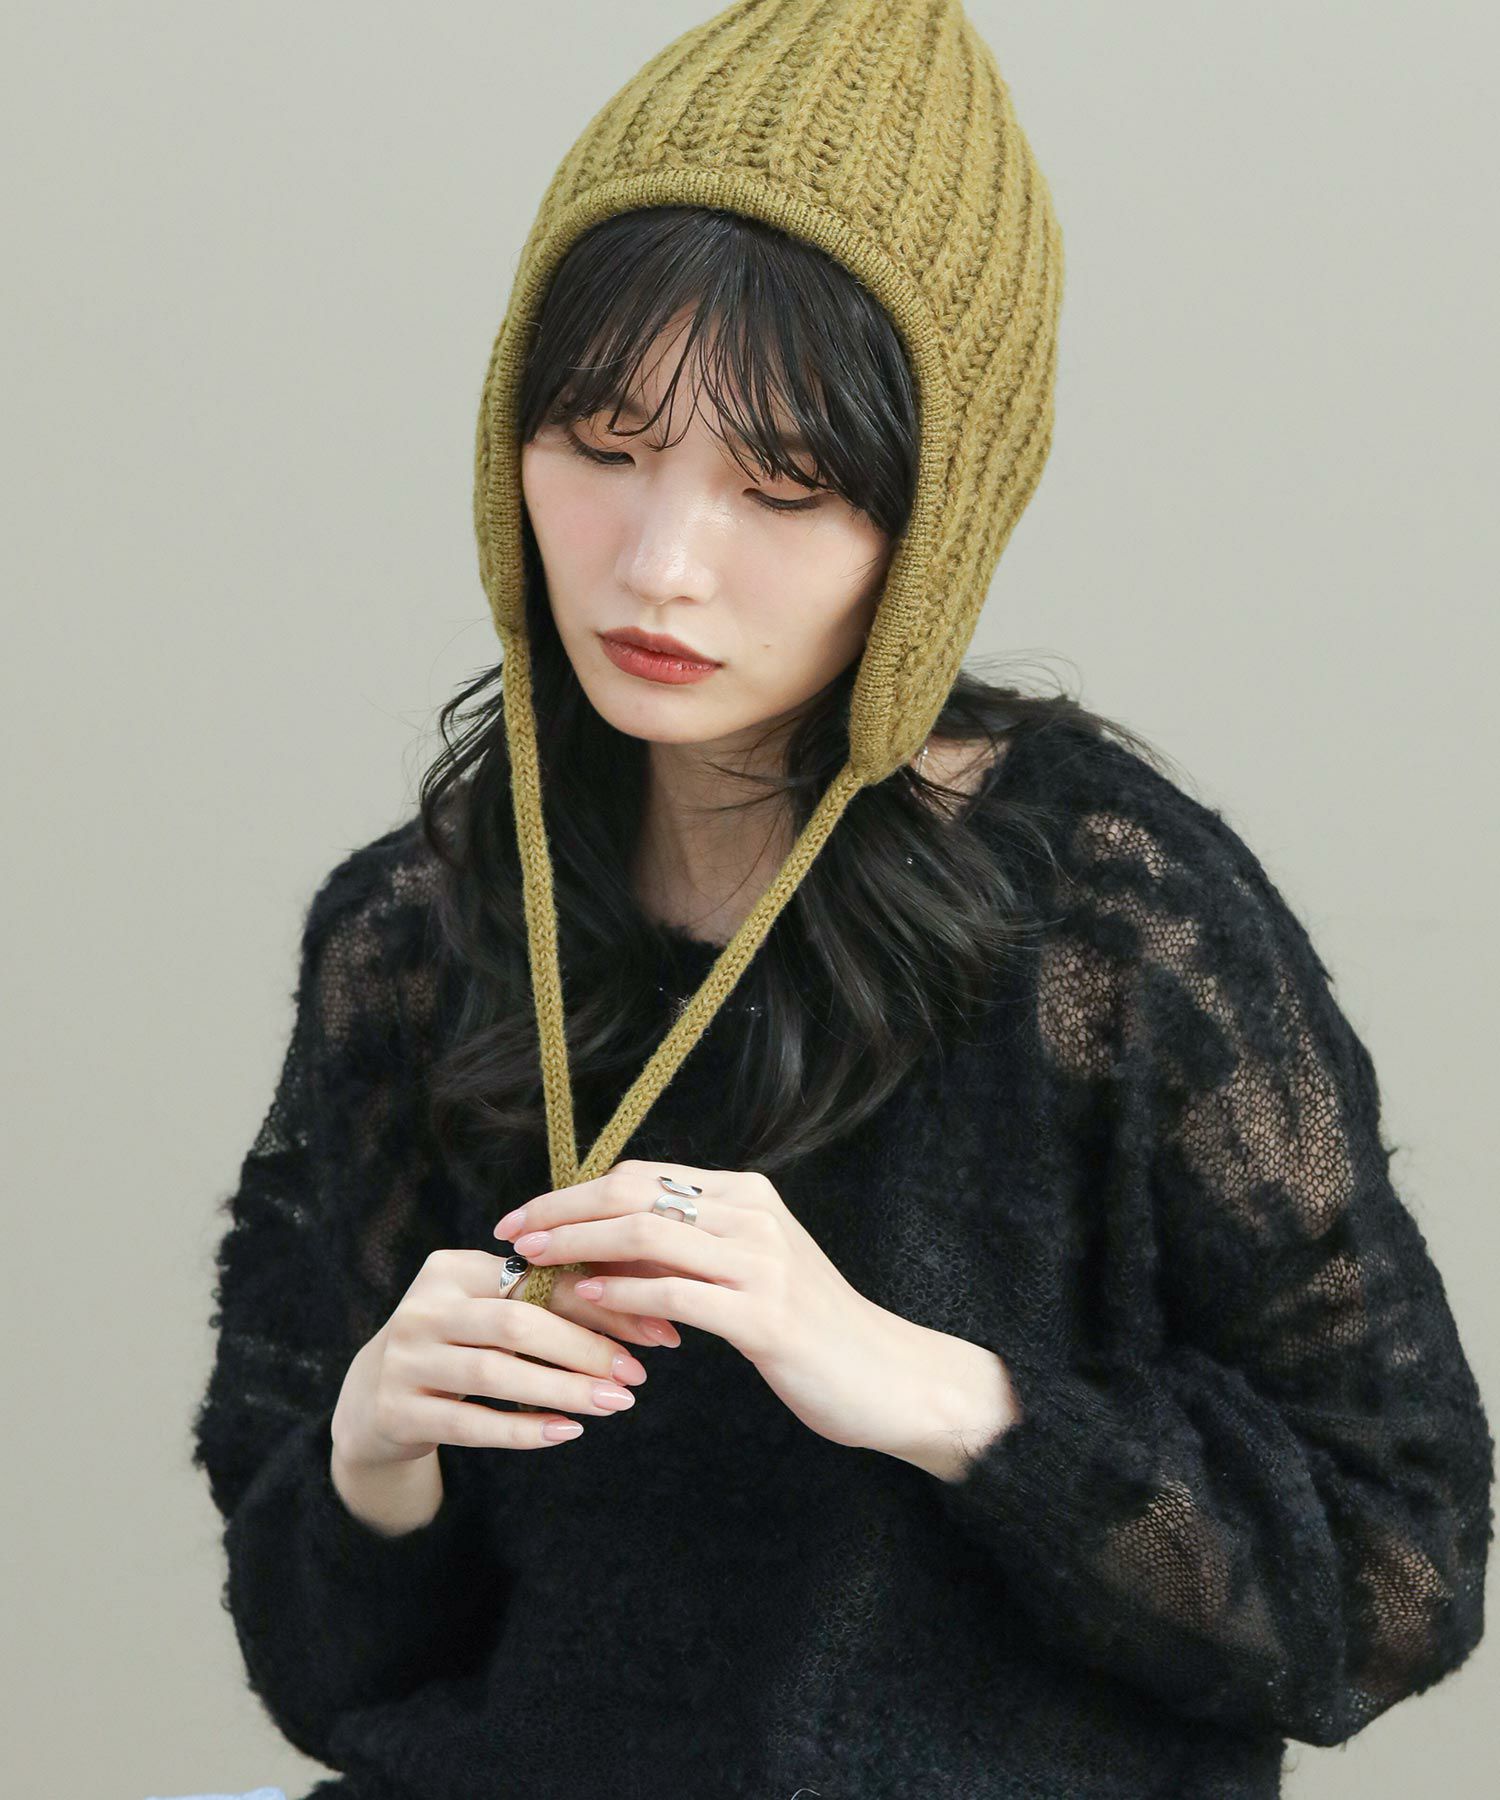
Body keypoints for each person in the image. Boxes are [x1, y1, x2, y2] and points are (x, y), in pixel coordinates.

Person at [190, 3, 1494, 1797]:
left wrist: (940, 1396)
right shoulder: (416, 937)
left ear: (931, 527)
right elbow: (323, 1675)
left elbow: (1399, 1570)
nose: (662, 566)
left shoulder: (1113, 930)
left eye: (785, 490)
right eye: (601, 445)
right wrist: (375, 1457)